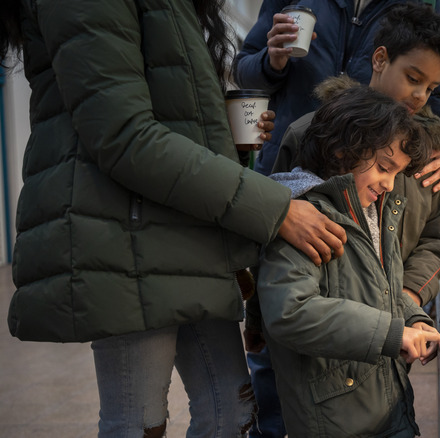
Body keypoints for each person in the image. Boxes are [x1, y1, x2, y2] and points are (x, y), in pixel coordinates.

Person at [1, 1, 346, 437]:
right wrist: (275, 209)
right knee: (139, 424)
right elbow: (124, 136)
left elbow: (162, 115)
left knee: (234, 417)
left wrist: (223, 132)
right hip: (122, 233)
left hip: (185, 225)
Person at [255, 83, 440, 437]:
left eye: (396, 174)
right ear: (340, 150)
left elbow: (384, 288)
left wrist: (414, 319)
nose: (389, 184)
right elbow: (290, 312)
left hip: (384, 403)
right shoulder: (305, 219)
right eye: (383, 167)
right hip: (336, 419)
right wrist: (393, 334)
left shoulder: (373, 212)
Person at [233, 0, 440, 192]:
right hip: (281, 166)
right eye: (413, 79)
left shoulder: (430, 7)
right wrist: (272, 60)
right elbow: (243, 71)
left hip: (358, 184)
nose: (421, 94)